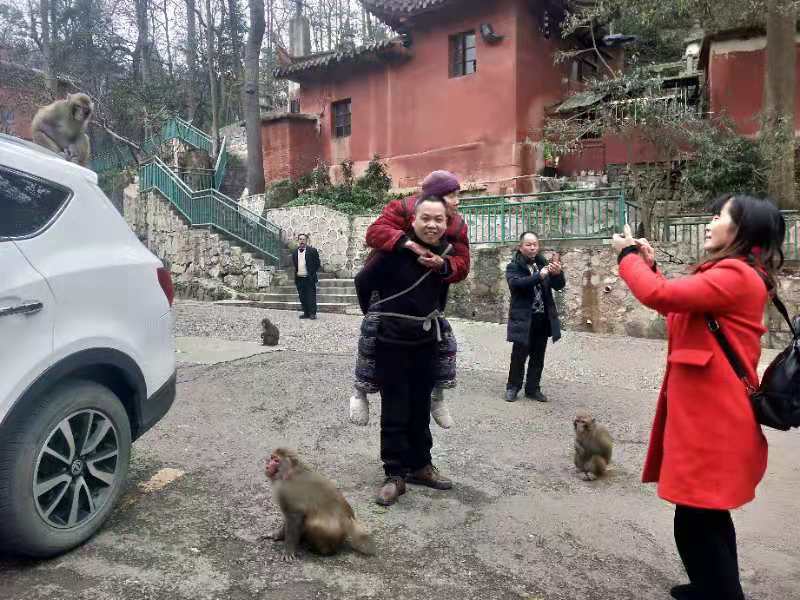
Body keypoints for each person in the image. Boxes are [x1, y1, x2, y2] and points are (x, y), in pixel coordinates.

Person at [612, 194, 786, 600]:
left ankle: (721, 593)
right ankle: (713, 588)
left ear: (741, 231)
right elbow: (678, 311)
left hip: (713, 418)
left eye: (719, 216)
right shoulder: (733, 274)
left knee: (695, 522)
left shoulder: (734, 275)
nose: (710, 221)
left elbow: (659, 296)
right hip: (709, 413)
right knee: (706, 514)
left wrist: (628, 259)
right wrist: (650, 267)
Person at [354, 195, 455, 506]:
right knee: (395, 409)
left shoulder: (444, 257)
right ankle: (395, 474)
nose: (432, 224)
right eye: (426, 218)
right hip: (391, 344)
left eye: (439, 219)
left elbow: (441, 296)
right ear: (413, 220)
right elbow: (363, 281)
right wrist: (377, 316)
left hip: (425, 342)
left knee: (420, 407)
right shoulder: (391, 252)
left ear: (446, 224)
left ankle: (421, 465)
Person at [349, 170, 470, 429]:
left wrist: (443, 264)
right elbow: (375, 234)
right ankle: (360, 393)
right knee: (371, 346)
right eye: (452, 195)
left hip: (428, 307)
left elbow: (462, 264)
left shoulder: (457, 225)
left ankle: (438, 398)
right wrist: (407, 244)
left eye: (457, 195)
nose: (457, 201)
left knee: (444, 349)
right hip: (390, 302)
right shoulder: (401, 208)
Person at [504, 232, 565, 402]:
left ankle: (532, 388)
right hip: (524, 317)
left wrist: (557, 273)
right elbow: (518, 284)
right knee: (519, 355)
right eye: (528, 245)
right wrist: (540, 275)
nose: (532, 248)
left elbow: (559, 285)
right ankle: (512, 387)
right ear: (520, 247)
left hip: (542, 317)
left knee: (538, 356)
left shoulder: (543, 263)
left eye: (535, 245)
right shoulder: (513, 266)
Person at [291, 233, 321, 320]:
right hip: (299, 278)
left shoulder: (312, 251)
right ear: (298, 240)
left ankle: (312, 313)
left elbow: (317, 264)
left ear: (306, 241)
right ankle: (306, 313)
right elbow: (295, 264)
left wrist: (311, 273)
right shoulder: (294, 252)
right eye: (300, 239)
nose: (302, 241)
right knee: (302, 297)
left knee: (311, 296)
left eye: (303, 239)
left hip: (309, 278)